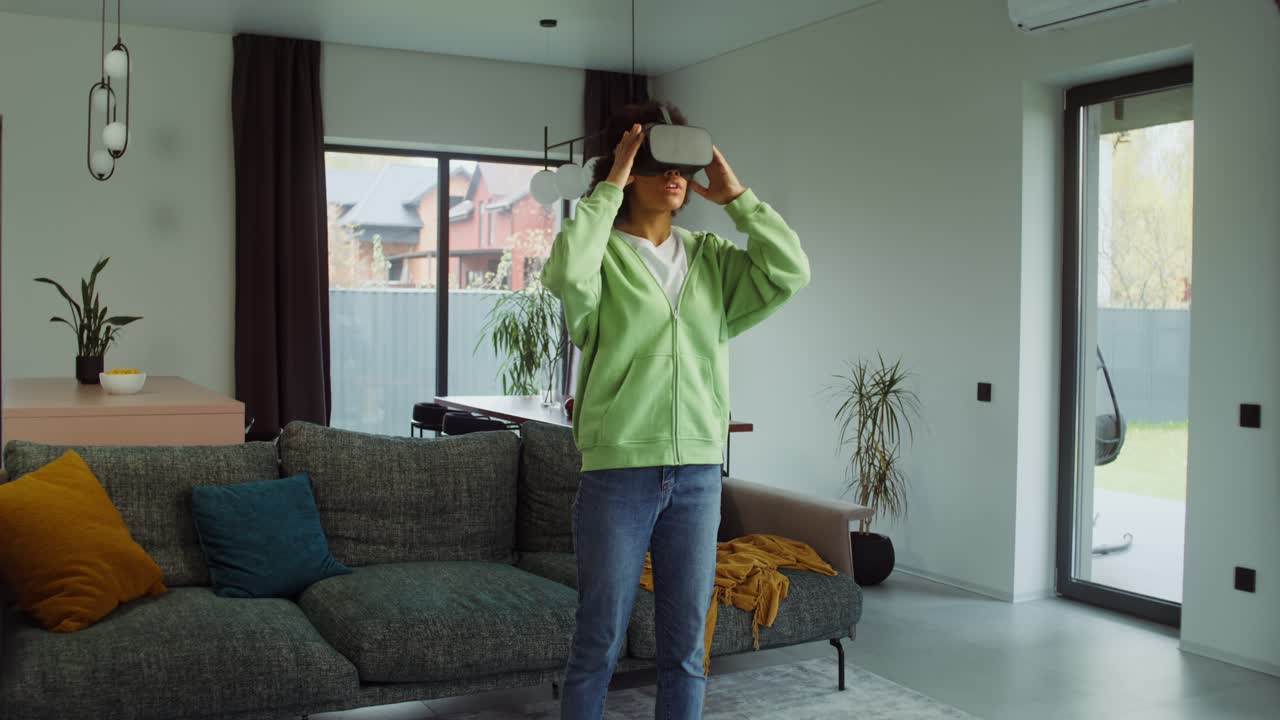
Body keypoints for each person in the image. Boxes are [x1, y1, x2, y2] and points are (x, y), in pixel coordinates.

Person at [540, 101, 810, 720]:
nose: (676, 177)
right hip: (618, 476)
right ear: (630, 168)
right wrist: (609, 183)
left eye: (683, 165)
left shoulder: (712, 258)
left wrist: (738, 197)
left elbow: (791, 269)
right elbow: (564, 270)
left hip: (696, 475)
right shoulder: (599, 256)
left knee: (688, 647)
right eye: (659, 163)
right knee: (598, 641)